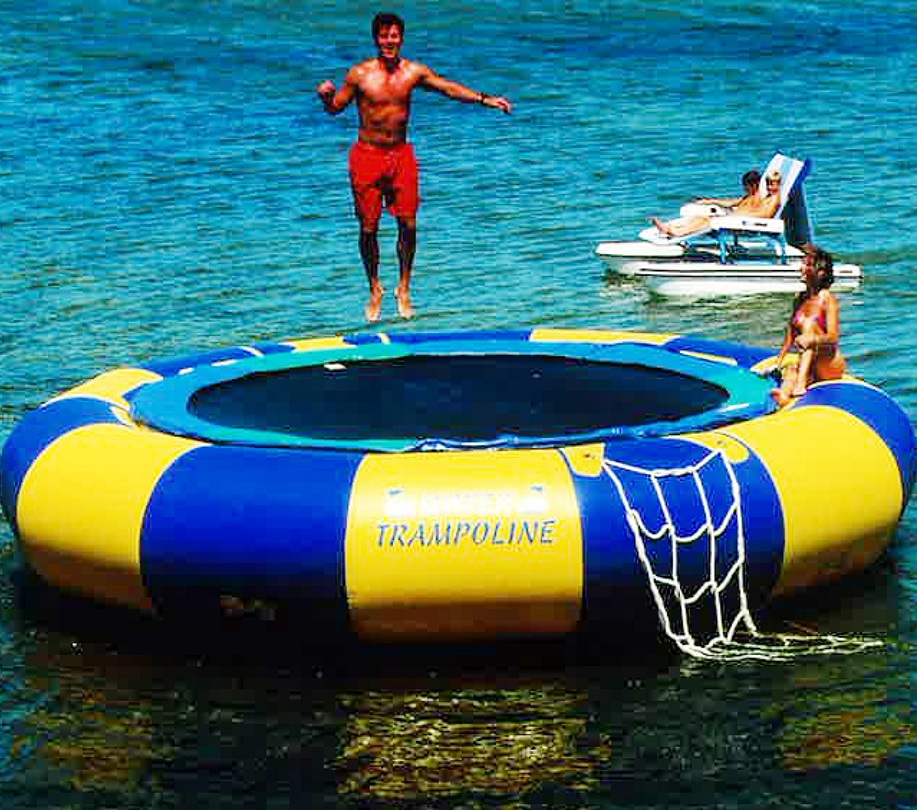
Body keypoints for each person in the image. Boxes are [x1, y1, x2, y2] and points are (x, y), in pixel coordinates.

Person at [317, 12, 513, 321]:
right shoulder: (359, 74)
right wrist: (326, 97)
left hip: (401, 155)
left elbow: (447, 88)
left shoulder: (413, 72)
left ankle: (404, 286)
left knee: (408, 224)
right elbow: (335, 108)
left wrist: (484, 99)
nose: (389, 41)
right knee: (368, 228)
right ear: (376, 39)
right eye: (384, 36)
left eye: (394, 35)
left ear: (401, 38)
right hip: (367, 156)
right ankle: (375, 288)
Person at [771, 245, 847, 406]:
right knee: (791, 371)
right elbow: (791, 332)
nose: (801, 268)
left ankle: (800, 384)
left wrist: (812, 339)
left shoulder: (827, 298)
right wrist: (778, 361)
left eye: (807, 265)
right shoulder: (799, 298)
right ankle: (784, 396)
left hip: (829, 364)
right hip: (811, 364)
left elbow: (833, 338)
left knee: (808, 326)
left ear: (820, 273)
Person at [651, 169, 782, 238]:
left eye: (773, 184)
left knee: (708, 222)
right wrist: (708, 201)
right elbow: (730, 203)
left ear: (754, 185)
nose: (770, 187)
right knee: (702, 218)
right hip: (734, 220)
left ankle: (675, 232)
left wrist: (737, 217)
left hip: (741, 224)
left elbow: (764, 216)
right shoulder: (752, 196)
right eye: (769, 184)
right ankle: (670, 227)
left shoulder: (771, 199)